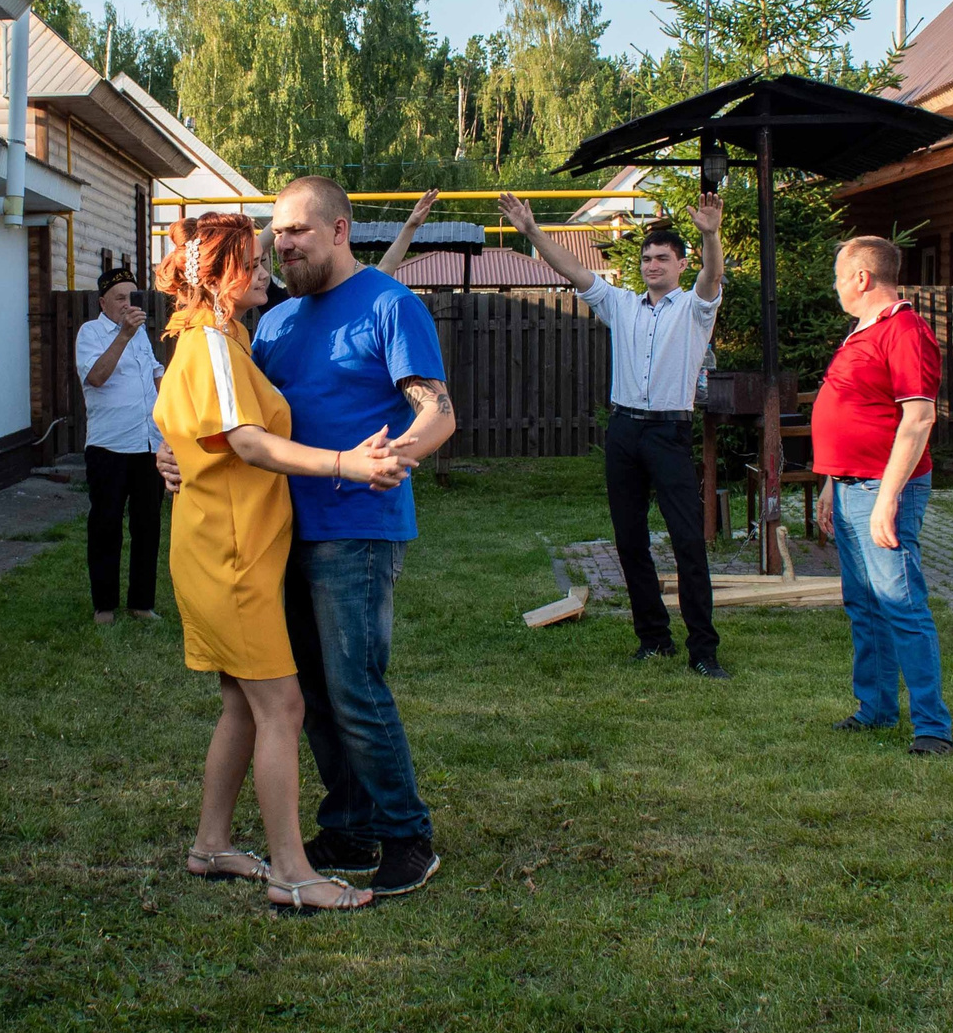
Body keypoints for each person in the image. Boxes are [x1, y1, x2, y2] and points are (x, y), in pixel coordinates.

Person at [152, 213, 407, 913]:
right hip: (229, 557)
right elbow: (249, 442)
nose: (265, 271)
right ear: (217, 277)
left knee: (243, 702)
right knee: (282, 705)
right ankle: (292, 870)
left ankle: (210, 844)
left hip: (237, 550)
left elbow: (181, 423)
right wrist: (345, 463)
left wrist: (166, 450)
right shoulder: (208, 344)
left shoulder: (226, 338)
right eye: (252, 263)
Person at [243, 175, 457, 896]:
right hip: (286, 529)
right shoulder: (275, 322)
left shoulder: (390, 306)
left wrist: (399, 452)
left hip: (358, 527)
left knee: (355, 686)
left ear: (339, 229)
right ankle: (349, 824)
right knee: (312, 693)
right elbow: (239, 416)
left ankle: (407, 836)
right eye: (277, 230)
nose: (283, 242)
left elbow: (438, 411)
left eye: (298, 229)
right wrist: (172, 448)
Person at [500, 192, 727, 677]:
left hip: (669, 431)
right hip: (625, 430)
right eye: (646, 258)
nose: (651, 265)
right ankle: (654, 639)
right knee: (629, 541)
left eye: (662, 258)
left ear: (681, 264)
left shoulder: (694, 308)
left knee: (688, 541)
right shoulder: (621, 304)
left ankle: (703, 652)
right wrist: (533, 233)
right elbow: (575, 273)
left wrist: (711, 234)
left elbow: (713, 277)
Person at [813, 236, 952, 756]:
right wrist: (831, 481)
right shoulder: (863, 332)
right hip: (850, 485)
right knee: (864, 603)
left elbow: (918, 418)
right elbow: (854, 408)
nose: (835, 285)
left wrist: (887, 498)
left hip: (882, 488)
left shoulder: (905, 331)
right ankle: (874, 710)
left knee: (901, 603)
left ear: (861, 278)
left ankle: (933, 728)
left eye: (838, 275)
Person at [76, 264, 166, 625]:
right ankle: (104, 606)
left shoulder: (141, 334)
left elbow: (159, 378)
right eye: (119, 298)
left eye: (133, 297)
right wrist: (124, 335)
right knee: (106, 527)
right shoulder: (92, 332)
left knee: (147, 527)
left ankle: (141, 603)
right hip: (109, 447)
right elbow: (96, 377)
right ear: (103, 302)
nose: (128, 304)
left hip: (148, 444)